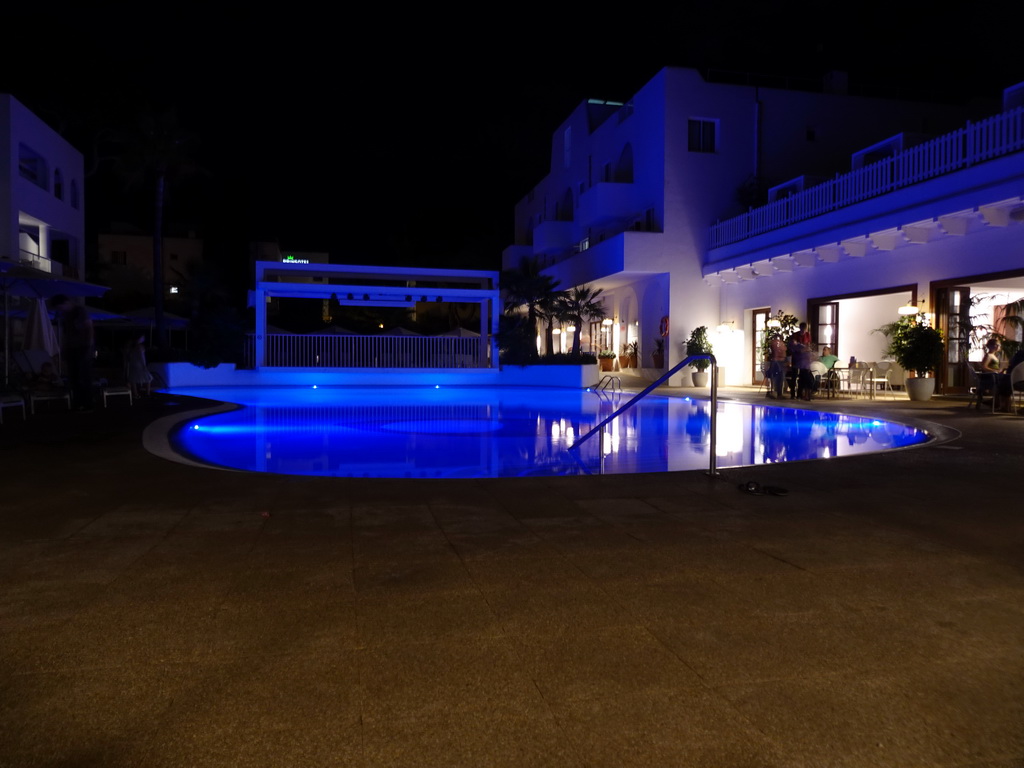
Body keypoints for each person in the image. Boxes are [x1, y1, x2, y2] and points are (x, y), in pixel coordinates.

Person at [49, 294, 94, 411]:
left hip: (82, 347)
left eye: (60, 307)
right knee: (73, 377)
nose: (60, 310)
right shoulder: (67, 315)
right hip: (72, 348)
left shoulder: (80, 311)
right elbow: (67, 334)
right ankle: (78, 402)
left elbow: (89, 327)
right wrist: (64, 349)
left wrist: (88, 346)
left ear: (66, 303)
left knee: (83, 376)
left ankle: (87, 403)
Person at [787, 322, 814, 400]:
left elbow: (808, 345)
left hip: (804, 358)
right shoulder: (795, 335)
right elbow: (792, 346)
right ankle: (792, 394)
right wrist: (798, 347)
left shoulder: (807, 335)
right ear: (800, 328)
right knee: (794, 376)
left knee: (802, 376)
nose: (803, 331)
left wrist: (807, 350)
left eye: (804, 330)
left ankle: (800, 394)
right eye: (802, 329)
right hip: (796, 357)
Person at [766, 332, 788, 399]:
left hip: (776, 361)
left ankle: (775, 392)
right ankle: (777, 393)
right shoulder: (779, 344)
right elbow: (780, 352)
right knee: (779, 377)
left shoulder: (773, 343)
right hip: (778, 362)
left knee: (776, 377)